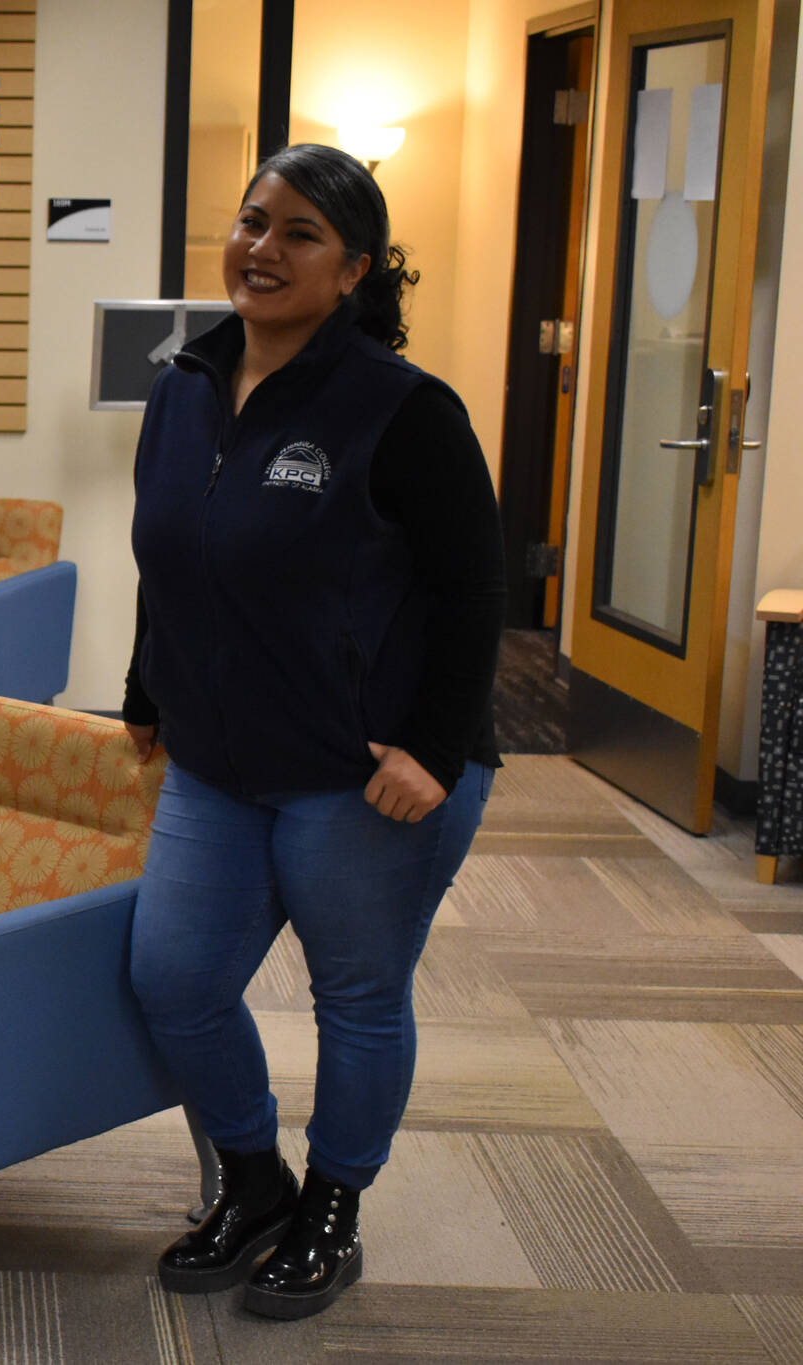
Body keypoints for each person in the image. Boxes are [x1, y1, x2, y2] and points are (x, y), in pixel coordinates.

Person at [121, 143, 503, 1320]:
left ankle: (333, 1212)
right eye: (251, 222)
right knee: (173, 978)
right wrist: (145, 691)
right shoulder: (184, 386)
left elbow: (473, 593)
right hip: (217, 762)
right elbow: (167, 555)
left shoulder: (401, 409)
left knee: (356, 995)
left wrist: (432, 753)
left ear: (354, 270)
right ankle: (253, 1181)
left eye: (297, 234)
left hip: (363, 773)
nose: (261, 249)